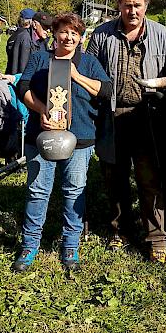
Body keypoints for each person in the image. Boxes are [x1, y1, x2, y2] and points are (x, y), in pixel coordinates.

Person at [86, 0, 166, 263]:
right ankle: (121, 230)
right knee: (114, 178)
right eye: (127, 5)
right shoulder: (102, 35)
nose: (132, 10)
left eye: (137, 5)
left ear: (146, 5)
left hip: (149, 118)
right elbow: (89, 69)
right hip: (112, 117)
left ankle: (156, 238)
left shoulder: (163, 36)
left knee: (150, 180)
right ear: (118, 5)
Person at [11, 14, 111, 272]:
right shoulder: (39, 59)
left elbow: (106, 91)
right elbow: (22, 88)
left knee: (74, 190)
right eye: (64, 32)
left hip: (80, 137)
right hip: (41, 136)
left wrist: (76, 75)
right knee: (38, 190)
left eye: (74, 34)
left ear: (81, 38)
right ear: (54, 34)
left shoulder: (89, 63)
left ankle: (70, 246)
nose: (68, 37)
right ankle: (30, 245)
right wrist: (41, 109)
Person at [5, 9, 54, 75]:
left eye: (49, 27)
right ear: (34, 24)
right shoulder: (25, 38)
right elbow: (23, 68)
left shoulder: (42, 40)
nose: (48, 30)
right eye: (44, 27)